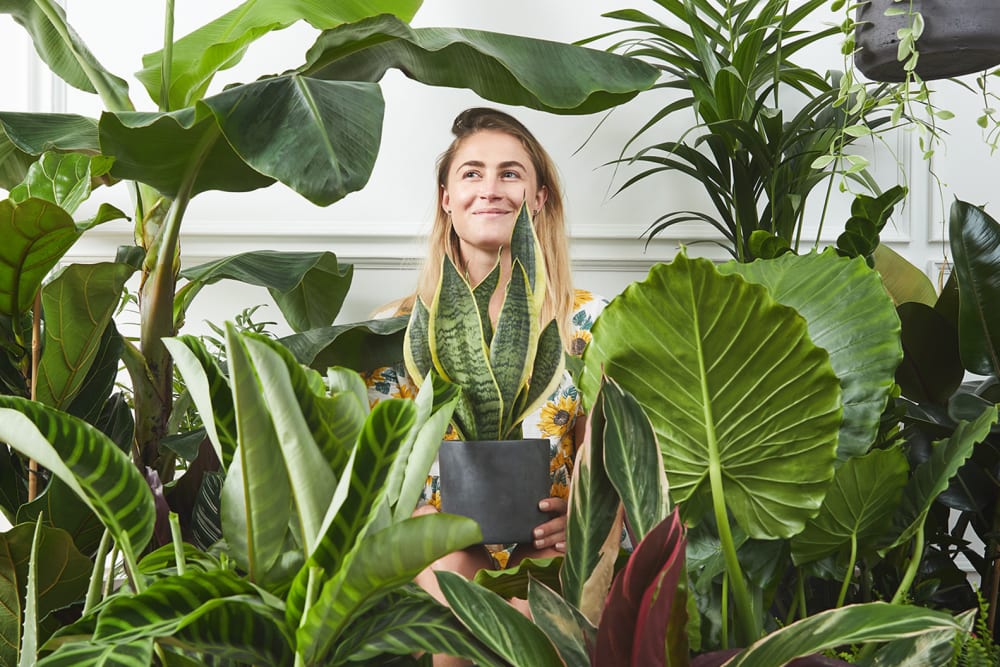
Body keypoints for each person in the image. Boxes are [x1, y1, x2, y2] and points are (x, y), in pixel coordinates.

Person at [365, 106, 605, 610]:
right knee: (449, 569)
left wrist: (580, 517)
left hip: (546, 546)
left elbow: (605, 456)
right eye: (472, 173)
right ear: (447, 199)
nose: (490, 188)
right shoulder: (396, 326)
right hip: (436, 548)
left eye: (510, 174)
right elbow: (374, 466)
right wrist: (413, 521)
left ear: (538, 198)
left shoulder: (585, 322)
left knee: (536, 587)